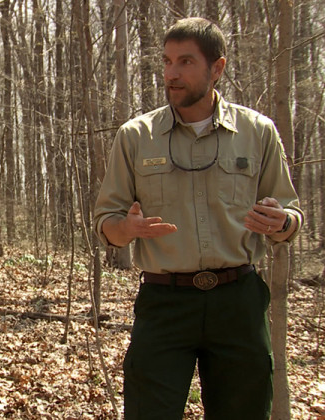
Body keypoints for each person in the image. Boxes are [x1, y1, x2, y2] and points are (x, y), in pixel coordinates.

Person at [93, 17, 303, 419]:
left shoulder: (258, 132)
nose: (172, 73)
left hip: (237, 301)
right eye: (168, 61)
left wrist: (281, 222)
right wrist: (126, 229)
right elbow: (106, 222)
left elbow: (291, 217)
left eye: (186, 62)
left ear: (217, 68)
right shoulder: (136, 136)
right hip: (164, 303)